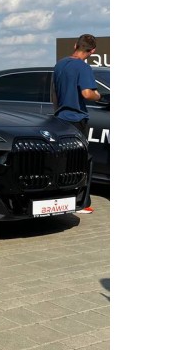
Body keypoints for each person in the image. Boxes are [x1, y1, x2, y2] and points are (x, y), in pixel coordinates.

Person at [52, 33, 102, 214]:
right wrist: (98, 95)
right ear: (92, 51)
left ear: (75, 45)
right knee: (79, 162)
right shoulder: (83, 67)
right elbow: (87, 93)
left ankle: (60, 199)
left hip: (60, 118)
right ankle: (80, 202)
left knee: (63, 161)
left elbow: (55, 92)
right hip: (76, 119)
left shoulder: (60, 64)